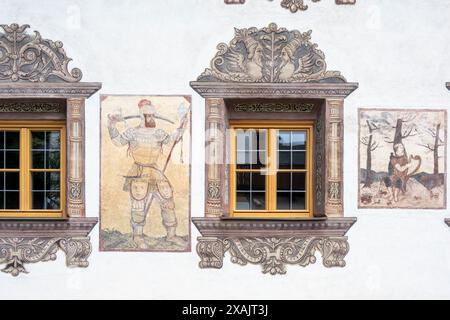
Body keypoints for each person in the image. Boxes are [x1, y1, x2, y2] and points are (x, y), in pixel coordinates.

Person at [107, 99, 186, 249]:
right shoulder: (132, 132)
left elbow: (170, 140)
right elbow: (118, 141)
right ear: (141, 115)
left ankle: (171, 235)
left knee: (167, 200)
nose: (150, 118)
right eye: (147, 115)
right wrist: (111, 125)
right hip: (139, 171)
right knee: (138, 204)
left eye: (152, 115)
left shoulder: (158, 132)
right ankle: (138, 236)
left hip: (155, 171)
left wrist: (181, 125)